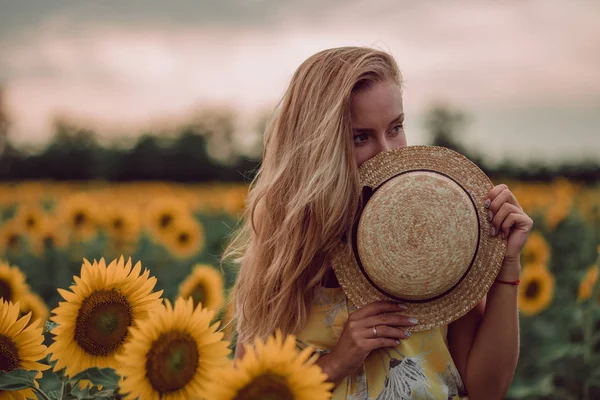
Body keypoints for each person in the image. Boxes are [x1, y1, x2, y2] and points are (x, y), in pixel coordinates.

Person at [224, 46, 533, 399]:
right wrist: (339, 361)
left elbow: (486, 390)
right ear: (317, 149)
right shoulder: (283, 260)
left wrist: (507, 264)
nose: (388, 152)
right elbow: (246, 391)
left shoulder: (439, 237)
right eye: (361, 137)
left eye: (396, 128)